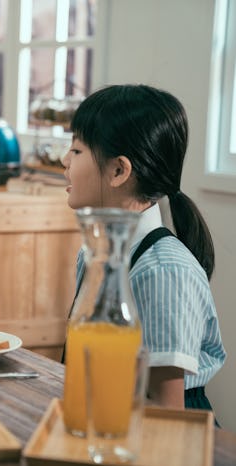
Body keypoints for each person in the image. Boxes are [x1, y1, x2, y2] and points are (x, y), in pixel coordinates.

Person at [61, 84, 226, 412]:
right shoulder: (96, 254)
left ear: (119, 170)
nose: (64, 159)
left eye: (76, 150)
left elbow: (167, 412)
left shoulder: (164, 270)